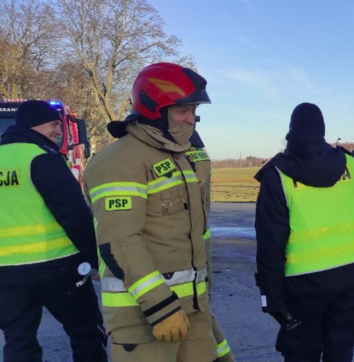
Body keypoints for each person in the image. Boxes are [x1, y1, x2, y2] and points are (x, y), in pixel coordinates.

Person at [83, 62, 218, 361]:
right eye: (183, 111)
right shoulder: (119, 161)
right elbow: (120, 243)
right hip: (144, 318)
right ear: (155, 108)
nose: (191, 120)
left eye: (194, 112)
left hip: (193, 311)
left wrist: (203, 305)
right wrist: (160, 306)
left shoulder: (181, 158)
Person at [255, 102, 354, 362]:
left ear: (291, 131)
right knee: (340, 350)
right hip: (353, 277)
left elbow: (270, 245)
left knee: (301, 353)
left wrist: (274, 300)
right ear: (323, 130)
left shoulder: (277, 175)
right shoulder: (350, 164)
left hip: (304, 286)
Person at [0, 100, 108, 362]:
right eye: (54, 124)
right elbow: (73, 214)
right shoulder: (41, 157)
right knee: (85, 331)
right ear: (34, 124)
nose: (59, 131)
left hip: (6, 273)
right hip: (57, 266)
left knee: (18, 340)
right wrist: (94, 260)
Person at [187, 131, 235, 361]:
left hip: (186, 248)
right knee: (203, 309)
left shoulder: (180, 153)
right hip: (200, 247)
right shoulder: (198, 150)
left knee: (198, 314)